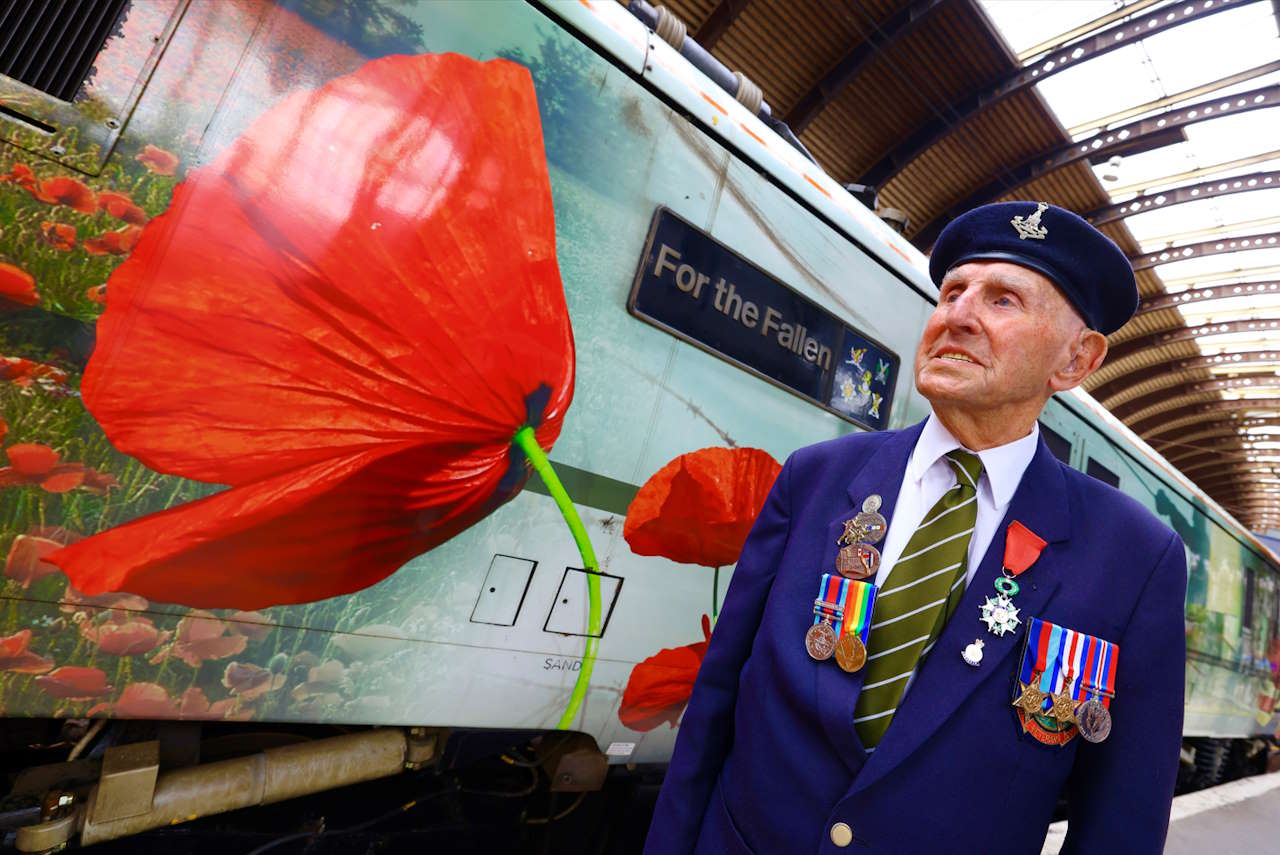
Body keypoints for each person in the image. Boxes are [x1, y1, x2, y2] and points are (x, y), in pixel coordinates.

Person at [643, 201, 1187, 854]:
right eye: (953, 291)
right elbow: (713, 710)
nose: (958, 314)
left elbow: (1120, 825)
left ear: (1074, 360)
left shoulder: (1132, 557)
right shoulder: (814, 479)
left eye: (1003, 299)